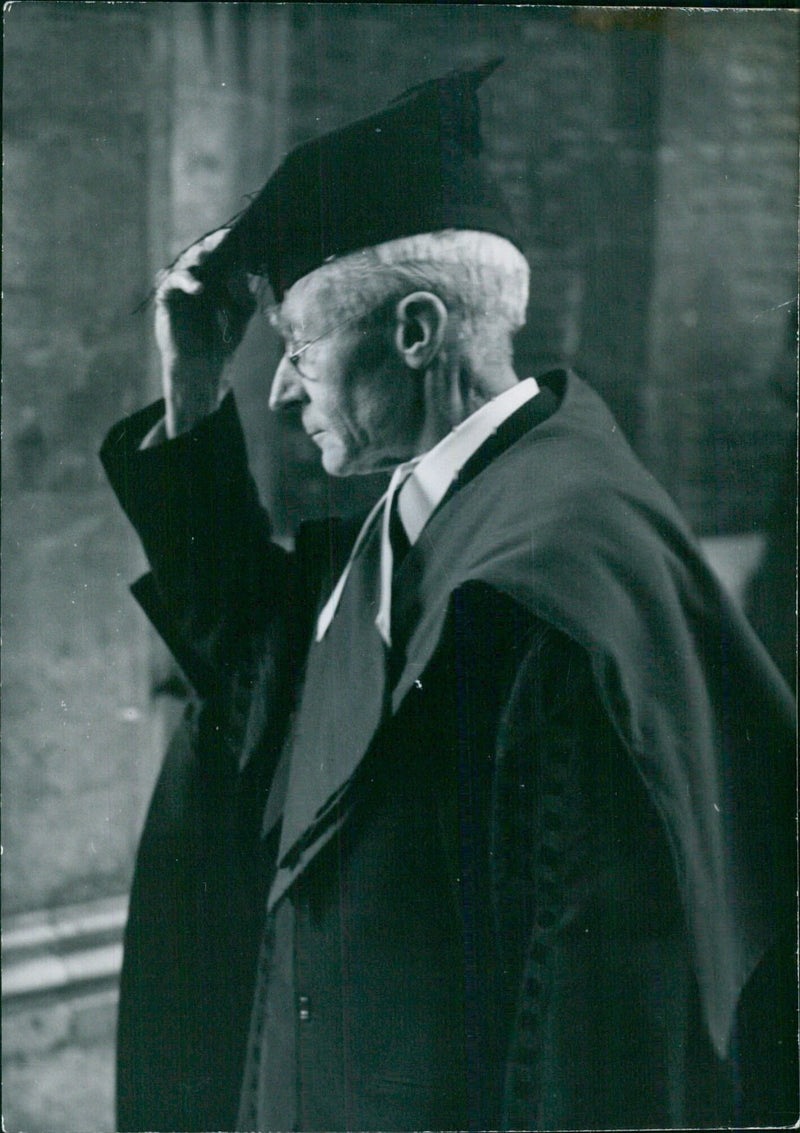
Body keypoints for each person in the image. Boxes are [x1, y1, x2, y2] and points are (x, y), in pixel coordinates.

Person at [101, 64, 797, 1132]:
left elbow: (584, 1028)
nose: (281, 388)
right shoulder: (461, 496)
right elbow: (263, 669)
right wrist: (191, 391)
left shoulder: (546, 580)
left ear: (417, 332)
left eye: (295, 345)